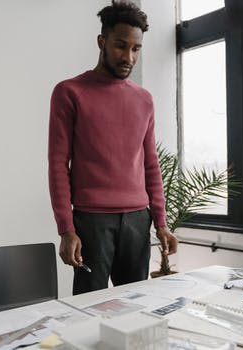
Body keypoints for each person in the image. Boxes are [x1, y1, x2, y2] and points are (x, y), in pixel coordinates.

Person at [48, 0, 178, 295]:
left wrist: (161, 222)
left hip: (137, 220)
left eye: (136, 49)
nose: (129, 57)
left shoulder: (144, 99)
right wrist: (66, 228)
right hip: (91, 221)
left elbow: (151, 163)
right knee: (87, 307)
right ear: (101, 41)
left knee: (134, 306)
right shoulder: (69, 92)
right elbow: (58, 164)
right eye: (121, 46)